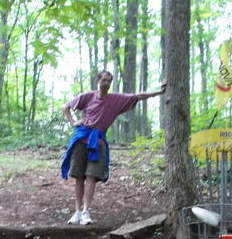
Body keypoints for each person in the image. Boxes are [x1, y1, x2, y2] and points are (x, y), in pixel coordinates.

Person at [60, 70, 166, 225]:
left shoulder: (116, 99)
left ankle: (85, 212)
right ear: (98, 81)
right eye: (104, 80)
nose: (106, 84)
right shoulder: (87, 96)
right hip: (81, 139)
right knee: (79, 177)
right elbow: (65, 107)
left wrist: (159, 92)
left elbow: (138, 96)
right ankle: (76, 211)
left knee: (91, 176)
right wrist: (73, 122)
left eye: (109, 81)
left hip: (99, 142)